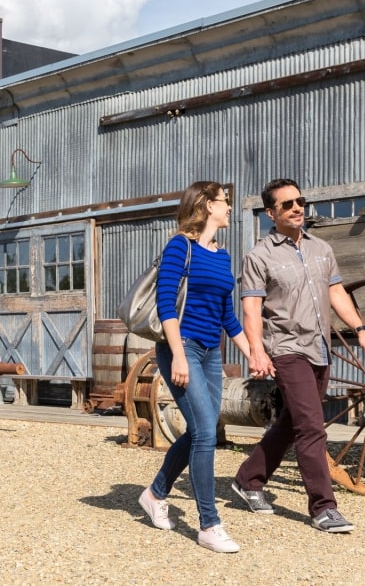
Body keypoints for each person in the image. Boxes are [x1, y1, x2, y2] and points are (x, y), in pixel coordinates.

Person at [231, 178, 365, 533]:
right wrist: (256, 351)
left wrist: (360, 329)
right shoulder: (259, 256)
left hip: (319, 348)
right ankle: (323, 508)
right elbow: (251, 309)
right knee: (311, 427)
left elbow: (336, 292)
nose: (297, 208)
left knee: (291, 422)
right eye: (287, 204)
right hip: (286, 349)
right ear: (271, 213)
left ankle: (248, 479)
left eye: (300, 201)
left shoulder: (321, 249)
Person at [137, 181, 251, 553]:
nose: (229, 207)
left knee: (202, 429)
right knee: (204, 432)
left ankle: (155, 494)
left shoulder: (222, 256)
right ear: (206, 206)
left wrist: (253, 354)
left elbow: (227, 317)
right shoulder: (179, 247)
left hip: (211, 351)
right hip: (180, 349)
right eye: (224, 202)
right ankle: (208, 524)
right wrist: (179, 357)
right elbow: (167, 306)